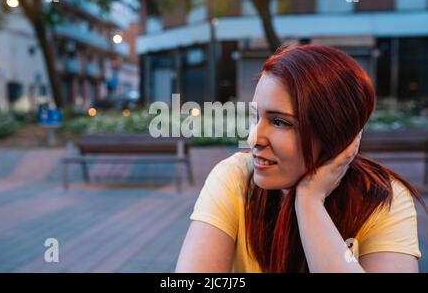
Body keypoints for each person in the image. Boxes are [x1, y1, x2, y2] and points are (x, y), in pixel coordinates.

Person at [175, 45, 427, 273]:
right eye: (256, 117)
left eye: (280, 122)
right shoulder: (236, 177)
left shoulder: (383, 199)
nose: (254, 139)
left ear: (336, 134)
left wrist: (309, 201)